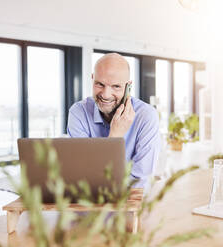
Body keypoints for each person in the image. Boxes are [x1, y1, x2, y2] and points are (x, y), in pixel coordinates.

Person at [67, 53, 160, 190]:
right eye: (100, 84)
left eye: (116, 86)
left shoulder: (146, 116)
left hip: (129, 207)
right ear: (92, 79)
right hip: (87, 208)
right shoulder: (78, 112)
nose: (105, 94)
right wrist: (114, 136)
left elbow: (140, 183)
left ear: (128, 87)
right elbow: (81, 178)